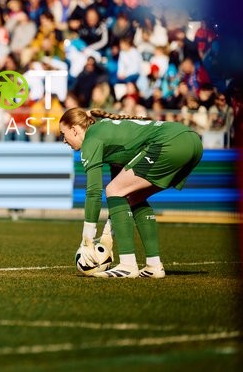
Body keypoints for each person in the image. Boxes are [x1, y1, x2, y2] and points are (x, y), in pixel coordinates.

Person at [59, 108, 204, 278]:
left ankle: (128, 265)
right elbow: (122, 196)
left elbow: (93, 192)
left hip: (171, 142)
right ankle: (154, 266)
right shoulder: (105, 132)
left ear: (74, 129)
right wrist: (107, 235)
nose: (64, 140)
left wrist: (87, 239)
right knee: (133, 197)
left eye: (63, 134)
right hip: (192, 141)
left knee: (113, 190)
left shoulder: (91, 139)